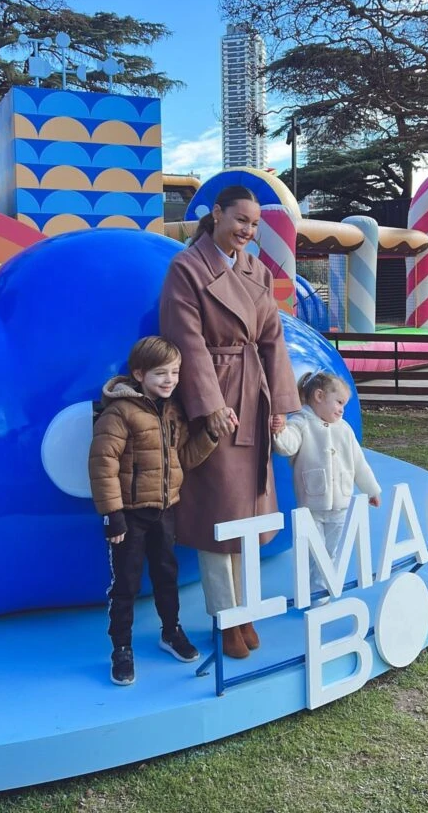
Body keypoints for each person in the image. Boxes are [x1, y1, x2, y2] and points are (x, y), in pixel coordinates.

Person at [159, 184, 300, 659]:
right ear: (216, 214)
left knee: (249, 511)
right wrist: (211, 405)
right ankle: (224, 617)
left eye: (255, 224)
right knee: (220, 511)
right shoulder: (187, 267)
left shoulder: (255, 269)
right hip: (217, 402)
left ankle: (244, 610)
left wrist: (280, 400)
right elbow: (186, 341)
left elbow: (273, 339)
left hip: (254, 397)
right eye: (241, 220)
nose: (248, 231)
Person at [88, 335, 218, 685]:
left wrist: (210, 435)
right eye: (162, 373)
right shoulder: (120, 412)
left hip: (165, 511)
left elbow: (183, 459)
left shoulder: (173, 411)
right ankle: (121, 648)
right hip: (129, 516)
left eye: (175, 372)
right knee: (126, 584)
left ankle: (170, 631)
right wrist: (113, 513)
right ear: (139, 373)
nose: (170, 379)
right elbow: (103, 464)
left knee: (167, 576)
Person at [272, 370, 382, 601]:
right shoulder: (300, 423)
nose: (342, 409)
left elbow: (359, 464)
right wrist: (278, 431)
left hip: (340, 503)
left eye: (344, 404)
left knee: (331, 551)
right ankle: (316, 595)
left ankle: (320, 589)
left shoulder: (344, 429)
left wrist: (372, 490)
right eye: (339, 402)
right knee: (314, 551)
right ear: (319, 396)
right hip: (312, 504)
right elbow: (287, 447)